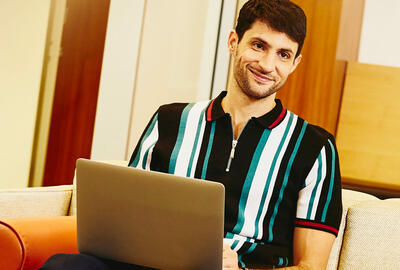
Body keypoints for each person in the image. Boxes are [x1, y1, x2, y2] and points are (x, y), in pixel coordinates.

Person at [41, 0, 342, 269]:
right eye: (258, 46)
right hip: (150, 264)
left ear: (295, 64)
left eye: (283, 54)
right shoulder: (170, 119)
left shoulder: (315, 147)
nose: (267, 65)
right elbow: (126, 221)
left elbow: (310, 267)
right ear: (233, 41)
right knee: (64, 265)